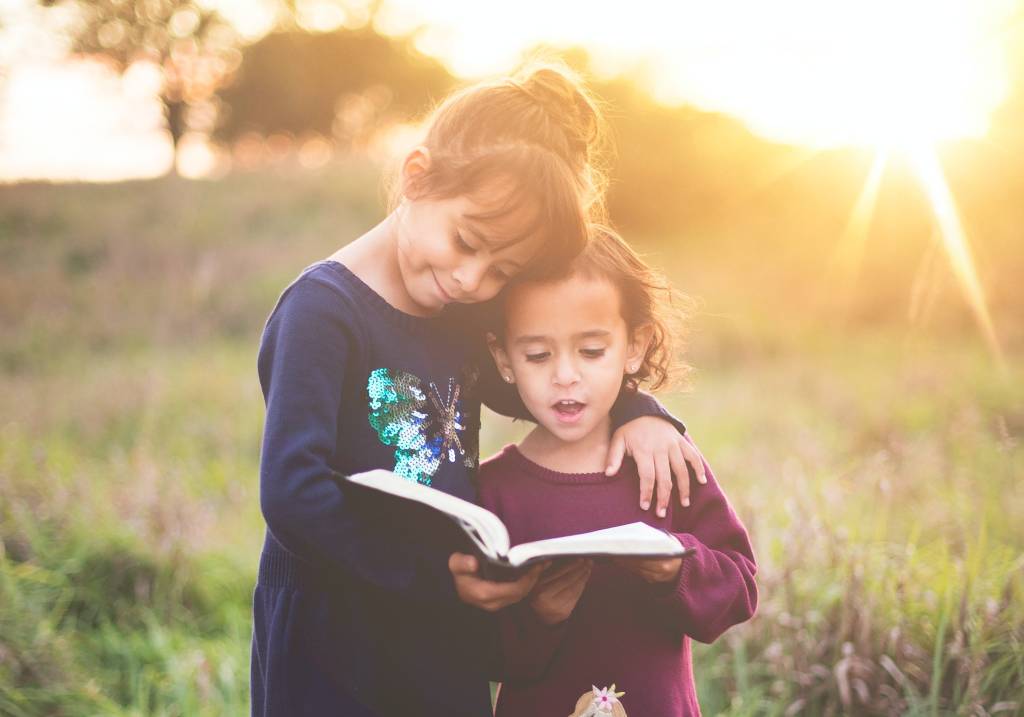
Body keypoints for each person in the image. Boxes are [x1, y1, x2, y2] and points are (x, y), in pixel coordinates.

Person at [250, 64, 708, 717]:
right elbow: (292, 493)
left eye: (502, 270)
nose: (472, 280)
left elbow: (547, 391)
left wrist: (640, 410)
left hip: (440, 626)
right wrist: (435, 578)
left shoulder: (458, 313)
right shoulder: (323, 311)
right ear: (417, 176)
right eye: (466, 242)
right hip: (334, 630)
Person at [480, 228, 758, 717]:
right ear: (503, 357)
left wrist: (676, 568)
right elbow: (478, 652)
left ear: (635, 346)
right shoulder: (493, 491)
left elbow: (740, 589)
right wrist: (538, 615)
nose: (565, 375)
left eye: (591, 351)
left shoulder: (663, 460)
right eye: (538, 355)